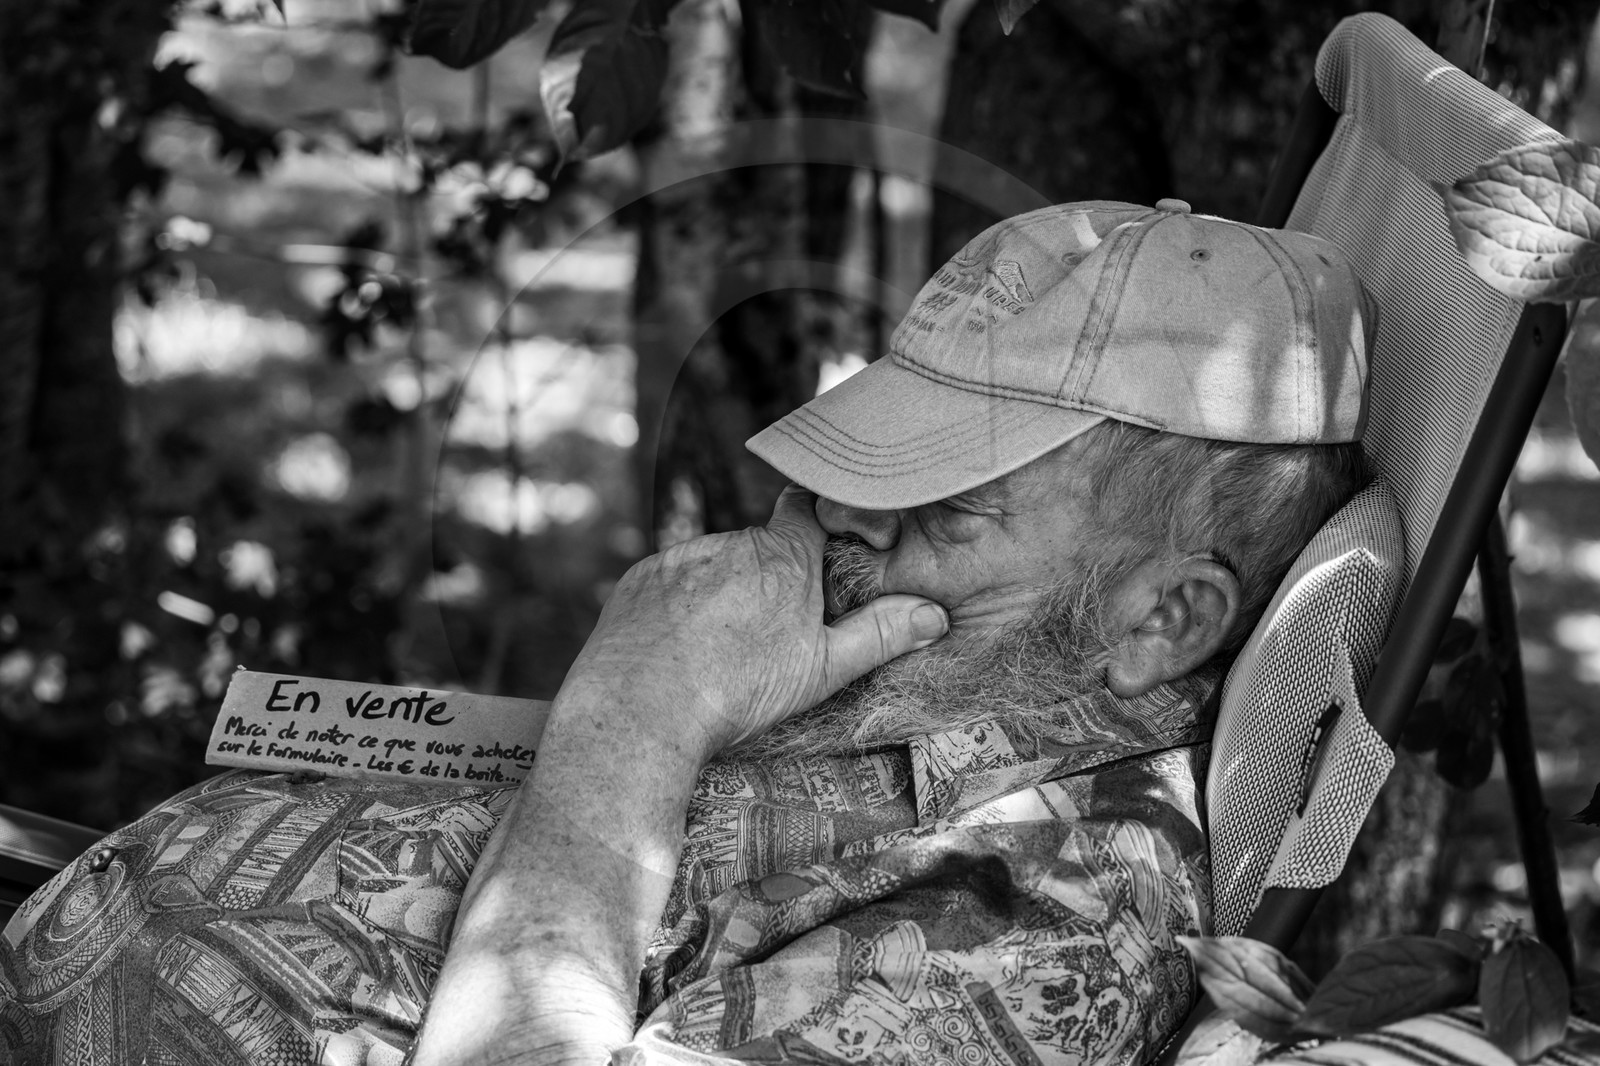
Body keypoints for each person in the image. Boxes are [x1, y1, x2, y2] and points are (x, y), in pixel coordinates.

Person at [0, 199, 1373, 1066]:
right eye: (873, 454)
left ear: (1162, 618)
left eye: (945, 505)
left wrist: (637, 712)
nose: (840, 514)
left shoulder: (1053, 931)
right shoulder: (946, 679)